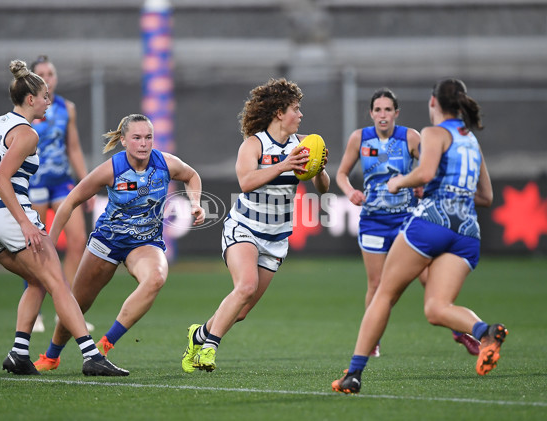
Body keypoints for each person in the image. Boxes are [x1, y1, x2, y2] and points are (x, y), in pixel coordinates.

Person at [332, 78, 507, 395]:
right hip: (467, 232)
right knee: (436, 308)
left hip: (431, 224)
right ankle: (485, 330)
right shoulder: (470, 140)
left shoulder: (431, 133)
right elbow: (486, 196)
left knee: (384, 293)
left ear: (433, 103)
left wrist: (399, 183)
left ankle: (353, 374)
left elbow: (424, 173)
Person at [0, 59, 128, 376]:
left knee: (38, 280)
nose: (49, 102)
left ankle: (19, 354)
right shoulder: (27, 134)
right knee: (58, 282)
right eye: (45, 96)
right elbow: (1, 179)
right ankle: (92, 356)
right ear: (30, 99)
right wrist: (25, 223)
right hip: (6, 214)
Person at [33, 113, 205, 374]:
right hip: (107, 241)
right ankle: (52, 355)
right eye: (136, 138)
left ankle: (105, 345)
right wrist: (51, 239)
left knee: (156, 278)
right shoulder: (111, 169)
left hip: (145, 243)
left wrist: (195, 202)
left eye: (148, 137)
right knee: (78, 304)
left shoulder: (165, 163)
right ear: (123, 141)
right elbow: (71, 201)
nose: (144, 143)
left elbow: (192, 176)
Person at [181, 78, 330, 373]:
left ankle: (198, 335)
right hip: (244, 228)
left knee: (242, 311)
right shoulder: (254, 144)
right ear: (279, 113)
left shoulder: (302, 145)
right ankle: (208, 350)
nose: (300, 115)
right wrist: (283, 165)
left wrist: (320, 169)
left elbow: (323, 189)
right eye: (295, 109)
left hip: (276, 238)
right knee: (245, 286)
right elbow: (246, 182)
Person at [336, 87, 479, 358]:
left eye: (388, 110)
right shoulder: (359, 138)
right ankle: (373, 340)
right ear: (371, 113)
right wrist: (350, 191)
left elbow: (433, 167)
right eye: (377, 109)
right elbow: (342, 173)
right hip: (373, 222)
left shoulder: (410, 137)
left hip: (406, 219)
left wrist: (421, 184)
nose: (382, 115)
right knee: (376, 285)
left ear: (396, 113)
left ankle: (462, 333)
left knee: (429, 280)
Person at [25, 55, 94, 333]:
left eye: (50, 73)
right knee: (37, 246)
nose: (47, 79)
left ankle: (65, 311)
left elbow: (74, 148)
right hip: (35, 182)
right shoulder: (26, 108)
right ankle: (35, 312)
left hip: (63, 182)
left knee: (78, 241)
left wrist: (86, 184)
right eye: (40, 74)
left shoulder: (67, 108)